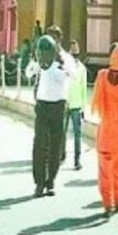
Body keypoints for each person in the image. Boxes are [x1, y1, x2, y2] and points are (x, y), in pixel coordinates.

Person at [91, 43, 118, 215]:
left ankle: (107, 203)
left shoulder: (101, 76)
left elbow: (97, 103)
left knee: (104, 170)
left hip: (105, 130)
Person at [31, 35, 75, 197]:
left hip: (57, 107)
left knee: (55, 146)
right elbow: (28, 73)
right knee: (40, 144)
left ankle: (50, 182)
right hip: (42, 106)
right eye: (40, 53)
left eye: (45, 52)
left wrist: (63, 66)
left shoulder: (60, 66)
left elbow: (72, 74)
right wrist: (35, 65)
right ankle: (39, 182)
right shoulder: (39, 65)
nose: (42, 56)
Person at [64, 40, 88, 170]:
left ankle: (77, 160)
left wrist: (84, 108)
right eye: (72, 50)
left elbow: (84, 89)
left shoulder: (82, 68)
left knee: (77, 135)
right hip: (64, 103)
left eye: (76, 50)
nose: (74, 53)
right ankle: (61, 155)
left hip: (76, 105)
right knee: (61, 132)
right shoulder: (64, 67)